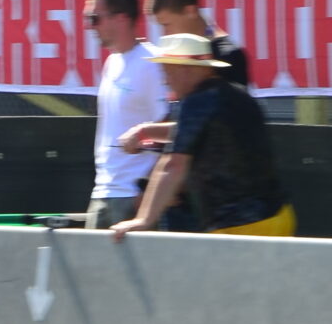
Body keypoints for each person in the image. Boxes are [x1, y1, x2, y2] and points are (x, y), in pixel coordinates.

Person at [110, 35, 294, 238]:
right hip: (277, 216)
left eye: (168, 72)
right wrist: (144, 132)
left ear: (186, 69)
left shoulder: (198, 101)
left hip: (242, 228)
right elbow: (195, 131)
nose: (165, 81)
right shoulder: (234, 93)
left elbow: (173, 166)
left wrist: (143, 220)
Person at [82, 0, 165, 228]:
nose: (90, 26)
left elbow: (170, 129)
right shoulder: (112, 63)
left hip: (133, 197)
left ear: (121, 18)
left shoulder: (153, 63)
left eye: (95, 18)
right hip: (103, 192)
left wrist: (147, 190)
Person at [146, 0, 250, 86]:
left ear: (190, 12)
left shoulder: (228, 55)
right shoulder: (177, 54)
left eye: (167, 25)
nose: (165, 34)